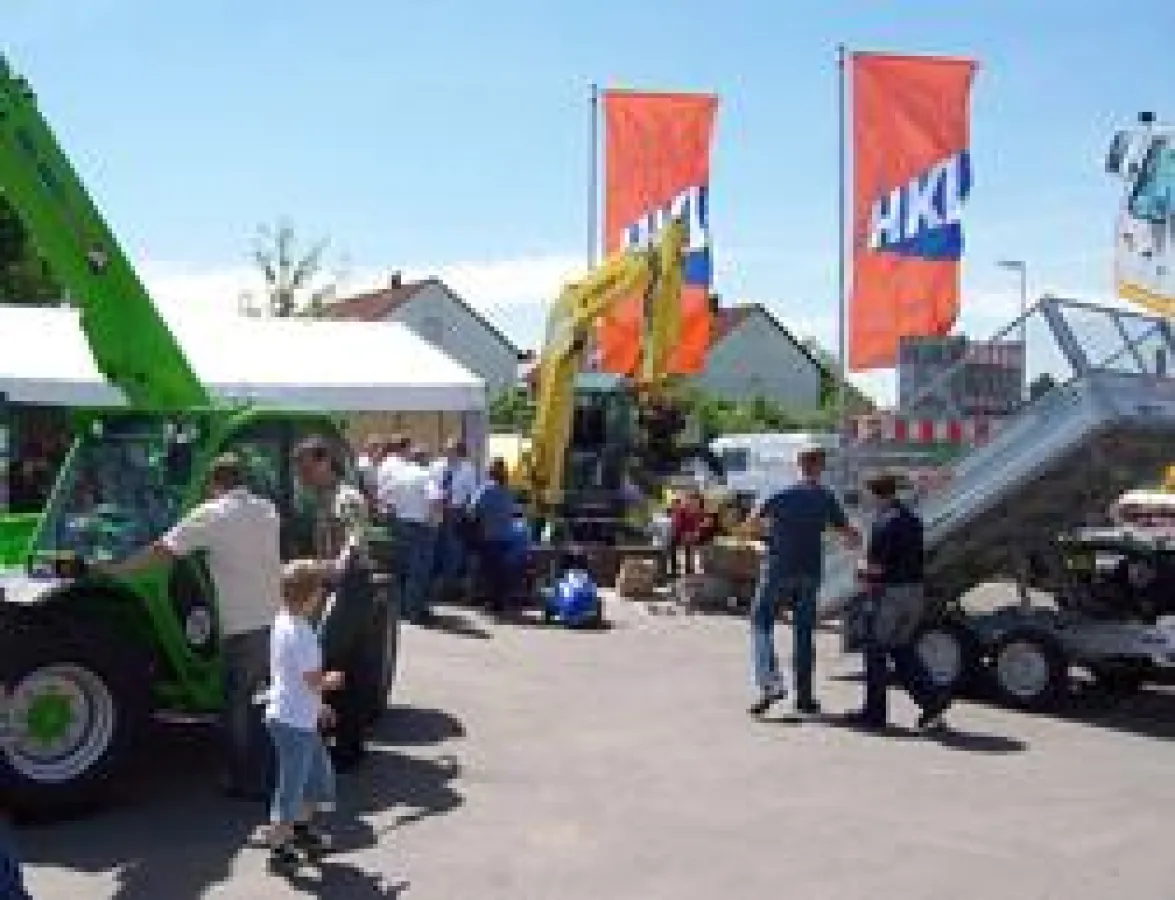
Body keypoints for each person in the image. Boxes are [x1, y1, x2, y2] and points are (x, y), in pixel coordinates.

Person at [99, 453, 281, 798]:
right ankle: (266, 772)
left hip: (240, 624)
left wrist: (117, 570)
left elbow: (163, 549)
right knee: (261, 700)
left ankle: (246, 780)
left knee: (236, 704)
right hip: (271, 617)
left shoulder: (210, 515)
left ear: (212, 483)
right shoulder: (266, 509)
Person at [743, 446, 861, 717]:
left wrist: (771, 533)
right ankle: (805, 698)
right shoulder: (825, 497)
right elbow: (850, 535)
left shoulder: (779, 494)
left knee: (761, 623)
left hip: (777, 570)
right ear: (821, 467)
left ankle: (771, 683)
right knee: (804, 634)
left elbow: (750, 525)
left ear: (798, 464)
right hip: (809, 572)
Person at [292, 436, 373, 770]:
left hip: (349, 584)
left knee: (323, 655)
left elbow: (355, 536)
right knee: (343, 664)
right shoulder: (323, 498)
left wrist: (339, 564)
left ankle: (333, 741)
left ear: (324, 462)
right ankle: (346, 742)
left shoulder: (346, 497)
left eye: (307, 468)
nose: (303, 476)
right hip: (334, 583)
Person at [260, 560, 344, 872]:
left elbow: (294, 678)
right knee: (293, 783)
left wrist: (318, 706)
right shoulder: (303, 633)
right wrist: (331, 681)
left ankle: (301, 831)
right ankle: (279, 846)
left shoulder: (281, 622)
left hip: (293, 716)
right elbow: (311, 679)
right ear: (311, 597)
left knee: (317, 776)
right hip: (293, 721)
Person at [851, 473, 951, 731]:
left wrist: (860, 569)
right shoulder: (912, 520)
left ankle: (874, 714)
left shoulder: (883, 523)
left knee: (875, 652)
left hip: (891, 596)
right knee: (902, 650)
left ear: (876, 495)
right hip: (915, 592)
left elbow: (877, 568)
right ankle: (933, 700)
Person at [376, 436, 444, 624]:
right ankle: (413, 612)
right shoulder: (425, 475)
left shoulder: (398, 474)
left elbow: (384, 498)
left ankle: (398, 610)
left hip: (399, 524)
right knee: (418, 571)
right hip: (420, 526)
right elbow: (435, 500)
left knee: (399, 570)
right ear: (423, 459)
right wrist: (435, 520)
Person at [467, 457, 519, 613]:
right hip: (505, 535)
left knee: (485, 570)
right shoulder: (508, 490)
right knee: (500, 571)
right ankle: (499, 602)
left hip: (487, 535)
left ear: (490, 472)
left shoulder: (485, 489)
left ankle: (485, 601)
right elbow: (512, 512)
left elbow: (471, 510)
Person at [431, 439, 479, 595]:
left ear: (459, 452)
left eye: (451, 450)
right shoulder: (437, 466)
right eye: (446, 450)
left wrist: (467, 511)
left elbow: (472, 494)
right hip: (437, 509)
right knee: (436, 545)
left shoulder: (468, 470)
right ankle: (434, 582)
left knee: (453, 548)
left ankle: (449, 584)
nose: (448, 453)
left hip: (456, 510)